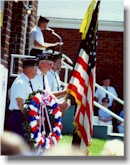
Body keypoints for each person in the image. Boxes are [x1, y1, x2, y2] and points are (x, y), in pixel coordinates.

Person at [8, 58, 39, 138]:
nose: (37, 73)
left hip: (23, 116)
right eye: (36, 69)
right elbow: (21, 105)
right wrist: (33, 118)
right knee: (18, 146)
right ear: (29, 69)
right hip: (19, 117)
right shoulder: (20, 83)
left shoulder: (26, 81)